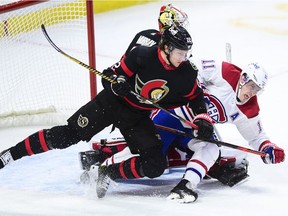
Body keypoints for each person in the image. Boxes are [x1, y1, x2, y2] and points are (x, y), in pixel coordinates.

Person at [0, 25, 215, 199]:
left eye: (186, 53)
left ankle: (105, 172)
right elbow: (109, 75)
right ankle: (10, 154)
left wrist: (203, 119)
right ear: (166, 48)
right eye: (180, 53)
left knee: (155, 164)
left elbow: (195, 97)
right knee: (67, 136)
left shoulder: (186, 73)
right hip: (111, 105)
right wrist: (117, 84)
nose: (183, 58)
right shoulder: (141, 55)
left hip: (137, 118)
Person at [80, 60, 285, 203]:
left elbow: (257, 137)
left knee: (212, 149)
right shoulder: (224, 71)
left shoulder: (249, 109)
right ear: (243, 78)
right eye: (250, 85)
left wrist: (268, 148)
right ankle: (103, 168)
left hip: (196, 132)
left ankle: (186, 186)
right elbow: (189, 70)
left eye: (257, 89)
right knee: (150, 160)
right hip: (171, 116)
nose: (251, 92)